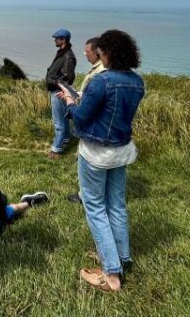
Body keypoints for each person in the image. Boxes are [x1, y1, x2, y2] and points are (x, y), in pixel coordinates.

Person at [59, 29, 144, 293]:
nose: (99, 55)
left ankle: (111, 274)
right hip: (121, 150)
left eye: (100, 52)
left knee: (95, 208)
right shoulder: (137, 81)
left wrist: (71, 102)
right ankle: (122, 258)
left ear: (106, 53)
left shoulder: (101, 81)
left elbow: (82, 117)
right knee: (116, 205)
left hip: (95, 152)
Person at [67, 37, 106, 203]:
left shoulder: (101, 72)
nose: (84, 54)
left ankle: (87, 196)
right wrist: (79, 95)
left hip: (91, 120)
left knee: (88, 160)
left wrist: (71, 100)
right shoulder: (100, 69)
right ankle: (88, 193)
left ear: (97, 53)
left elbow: (96, 98)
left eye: (87, 51)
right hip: (91, 117)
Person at [45, 28, 76, 158]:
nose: (54, 40)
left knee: (58, 122)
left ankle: (56, 150)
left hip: (58, 92)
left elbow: (67, 77)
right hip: (58, 90)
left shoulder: (68, 56)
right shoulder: (62, 53)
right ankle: (65, 140)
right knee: (64, 119)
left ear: (63, 40)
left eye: (56, 38)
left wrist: (53, 82)